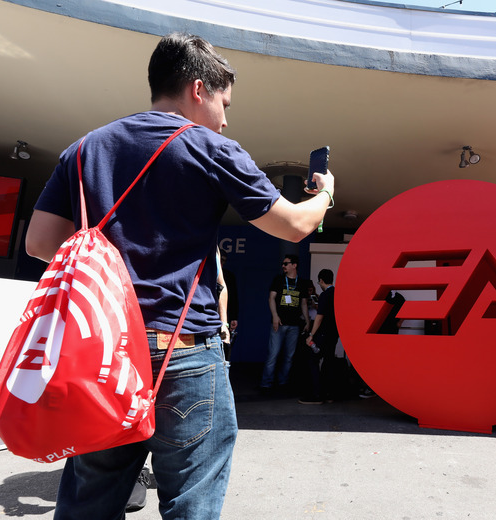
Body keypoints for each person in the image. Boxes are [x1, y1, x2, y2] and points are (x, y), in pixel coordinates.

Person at [25, 32, 334, 519]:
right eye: (223, 102)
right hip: (183, 350)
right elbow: (294, 226)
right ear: (198, 89)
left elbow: (40, 243)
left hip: (102, 356)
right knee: (191, 501)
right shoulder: (212, 148)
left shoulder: (85, 149)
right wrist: (325, 195)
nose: (226, 117)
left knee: (91, 498)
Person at [261, 254, 311, 391]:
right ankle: (266, 383)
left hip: (294, 325)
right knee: (273, 354)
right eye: (282, 264)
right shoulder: (278, 280)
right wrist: (275, 316)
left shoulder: (302, 283)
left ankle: (283, 382)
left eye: (286, 263)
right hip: (279, 323)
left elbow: (304, 303)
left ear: (294, 265)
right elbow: (271, 298)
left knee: (289, 356)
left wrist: (307, 321)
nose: (283, 266)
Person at [300, 269, 340, 404]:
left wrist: (311, 335)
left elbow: (319, 317)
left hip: (323, 333)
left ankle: (316, 394)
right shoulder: (337, 294)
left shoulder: (324, 295)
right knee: (328, 362)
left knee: (313, 360)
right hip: (334, 334)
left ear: (321, 280)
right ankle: (329, 394)